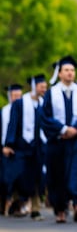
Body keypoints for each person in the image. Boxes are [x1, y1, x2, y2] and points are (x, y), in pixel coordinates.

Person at [39, 56, 77, 223]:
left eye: (72, 70)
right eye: (66, 70)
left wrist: (76, 129)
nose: (70, 73)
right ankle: (60, 210)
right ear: (59, 73)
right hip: (57, 141)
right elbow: (45, 117)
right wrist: (63, 129)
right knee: (57, 176)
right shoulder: (51, 93)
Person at [3, 75, 47, 221]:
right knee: (18, 175)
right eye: (41, 86)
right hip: (21, 147)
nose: (44, 89)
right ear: (34, 86)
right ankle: (18, 201)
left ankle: (35, 209)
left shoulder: (44, 103)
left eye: (45, 87)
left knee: (36, 178)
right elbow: (13, 123)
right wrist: (9, 144)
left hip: (37, 147)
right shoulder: (20, 104)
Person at [1, 83, 23, 216]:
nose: (17, 98)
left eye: (19, 96)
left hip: (18, 149)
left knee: (17, 177)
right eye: (15, 96)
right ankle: (5, 203)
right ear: (10, 96)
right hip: (3, 149)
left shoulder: (24, 110)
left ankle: (15, 204)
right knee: (4, 178)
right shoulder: (4, 111)